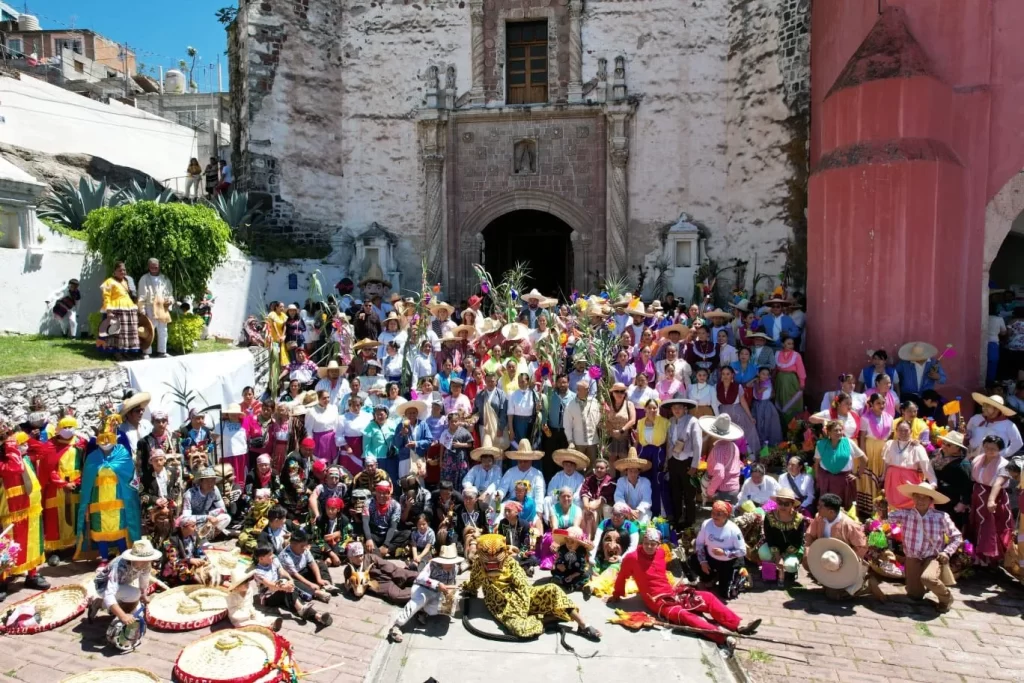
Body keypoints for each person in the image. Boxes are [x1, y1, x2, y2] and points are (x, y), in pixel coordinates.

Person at [460, 533, 601, 640]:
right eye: (486, 554)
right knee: (521, 629)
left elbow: (522, 586)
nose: (491, 558)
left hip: (521, 597)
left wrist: (523, 608)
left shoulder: (510, 562)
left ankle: (583, 625)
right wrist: (467, 589)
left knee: (552, 589)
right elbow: (473, 584)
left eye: (496, 553)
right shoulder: (479, 564)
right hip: (501, 604)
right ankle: (546, 619)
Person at [76, 411, 142, 561]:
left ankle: (124, 556)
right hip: (98, 500)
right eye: (102, 440)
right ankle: (104, 559)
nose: (105, 443)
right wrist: (86, 502)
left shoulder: (123, 454)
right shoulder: (92, 458)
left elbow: (130, 476)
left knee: (120, 528)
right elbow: (87, 481)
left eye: (109, 439)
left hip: (119, 499)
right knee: (100, 529)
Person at [888, 482, 962, 612]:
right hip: (913, 556)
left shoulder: (941, 516)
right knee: (914, 595)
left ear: (931, 500)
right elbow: (886, 518)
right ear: (913, 498)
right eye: (917, 497)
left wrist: (946, 552)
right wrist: (882, 509)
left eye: (925, 497)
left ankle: (946, 598)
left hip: (932, 556)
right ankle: (920, 587)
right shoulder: (905, 514)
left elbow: (956, 537)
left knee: (928, 578)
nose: (920, 500)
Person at [803, 493, 883, 600]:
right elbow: (810, 535)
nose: (818, 508)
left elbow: (862, 547)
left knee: (833, 596)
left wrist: (843, 562)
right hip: (826, 558)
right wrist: (807, 552)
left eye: (821, 506)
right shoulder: (819, 518)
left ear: (831, 511)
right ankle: (828, 582)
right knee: (806, 562)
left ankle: (867, 585)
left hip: (844, 563)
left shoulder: (849, 525)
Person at [0, 436, 48, 600]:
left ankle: (32, 575)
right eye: (17, 444)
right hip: (9, 512)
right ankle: (2, 581)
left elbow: (41, 449)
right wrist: (12, 447)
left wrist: (17, 434)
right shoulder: (7, 462)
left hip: (31, 508)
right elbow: (15, 467)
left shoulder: (24, 457)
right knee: (7, 545)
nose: (23, 446)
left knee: (32, 542)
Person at [388, 544, 462, 643]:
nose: (450, 565)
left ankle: (423, 610)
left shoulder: (455, 568)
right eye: (447, 562)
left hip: (439, 593)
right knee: (419, 599)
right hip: (423, 590)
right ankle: (397, 625)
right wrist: (437, 584)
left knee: (449, 606)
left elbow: (452, 583)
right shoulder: (432, 565)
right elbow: (420, 578)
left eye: (452, 562)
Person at [85, 539, 160, 637]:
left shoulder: (146, 564)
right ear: (134, 558)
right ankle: (108, 607)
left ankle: (100, 604)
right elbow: (109, 593)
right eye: (144, 559)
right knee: (134, 594)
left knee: (138, 612)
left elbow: (144, 579)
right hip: (104, 586)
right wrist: (123, 616)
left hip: (122, 584)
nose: (147, 562)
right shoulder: (119, 566)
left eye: (149, 559)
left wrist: (144, 595)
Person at [252, 542, 333, 627]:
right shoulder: (257, 572)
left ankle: (317, 616)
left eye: (272, 553)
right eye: (269, 555)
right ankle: (305, 608)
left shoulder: (274, 560)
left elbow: (282, 571)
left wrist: (290, 580)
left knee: (292, 595)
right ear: (261, 558)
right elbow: (270, 585)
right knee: (288, 591)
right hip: (269, 596)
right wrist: (285, 587)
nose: (272, 556)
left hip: (280, 586)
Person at [688, 501, 747, 600]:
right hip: (711, 557)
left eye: (719, 514)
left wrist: (725, 552)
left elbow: (742, 551)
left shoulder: (733, 529)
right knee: (692, 560)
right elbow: (699, 543)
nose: (715, 516)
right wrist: (703, 562)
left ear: (726, 515)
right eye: (713, 513)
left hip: (729, 562)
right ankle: (712, 576)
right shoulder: (706, 524)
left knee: (727, 594)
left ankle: (741, 575)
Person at [969, 435, 1012, 567]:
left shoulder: (1004, 464)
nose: (989, 450)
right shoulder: (978, 459)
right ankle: (978, 559)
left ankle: (992, 560)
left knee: (991, 527)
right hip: (978, 496)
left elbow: (998, 483)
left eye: (993, 448)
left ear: (1000, 449)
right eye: (987, 447)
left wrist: (991, 500)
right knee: (976, 524)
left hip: (994, 498)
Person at [663, 398, 702, 531]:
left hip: (688, 461)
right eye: (674, 408)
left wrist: (694, 465)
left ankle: (689, 521)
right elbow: (669, 442)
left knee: (689, 494)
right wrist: (668, 461)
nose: (677, 410)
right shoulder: (671, 421)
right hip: (674, 460)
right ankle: (676, 518)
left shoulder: (693, 421)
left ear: (685, 408)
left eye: (679, 407)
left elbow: (697, 444)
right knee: (675, 491)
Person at [882, 420, 936, 510]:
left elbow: (926, 467)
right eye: (900, 430)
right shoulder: (890, 444)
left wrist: (932, 483)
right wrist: (883, 477)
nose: (903, 433)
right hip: (892, 482)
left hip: (909, 483)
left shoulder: (917, 447)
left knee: (911, 507)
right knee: (892, 509)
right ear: (896, 431)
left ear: (911, 431)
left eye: (906, 430)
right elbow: (887, 464)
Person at [757, 488, 806, 586]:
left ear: (792, 505)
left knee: (791, 565)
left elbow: (797, 541)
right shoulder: (769, 516)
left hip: (792, 548)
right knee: (763, 553)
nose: (783, 506)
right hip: (774, 546)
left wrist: (783, 556)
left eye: (786, 504)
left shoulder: (799, 519)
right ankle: (770, 573)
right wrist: (777, 555)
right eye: (780, 503)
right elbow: (769, 537)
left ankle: (790, 573)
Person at [814, 419, 867, 509]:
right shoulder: (821, 444)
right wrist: (818, 479)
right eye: (835, 430)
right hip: (826, 480)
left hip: (844, 482)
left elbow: (864, 459)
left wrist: (858, 475)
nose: (839, 432)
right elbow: (817, 463)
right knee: (827, 507)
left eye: (840, 430)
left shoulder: (848, 442)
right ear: (829, 432)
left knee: (844, 508)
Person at [98, 261, 141, 359]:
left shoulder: (126, 281)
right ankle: (116, 352)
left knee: (127, 332)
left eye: (124, 270)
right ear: (114, 272)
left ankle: (125, 351)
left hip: (128, 309)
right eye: (120, 270)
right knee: (117, 332)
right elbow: (106, 297)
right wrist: (109, 311)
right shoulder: (109, 281)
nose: (122, 272)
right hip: (116, 309)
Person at [635, 398, 670, 516]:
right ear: (645, 409)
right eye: (649, 407)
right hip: (644, 453)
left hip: (658, 453)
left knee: (658, 481)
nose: (652, 410)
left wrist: (666, 459)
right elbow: (637, 441)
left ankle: (660, 512)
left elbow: (668, 442)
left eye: (655, 408)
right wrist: (635, 454)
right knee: (644, 481)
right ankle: (645, 510)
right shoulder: (640, 422)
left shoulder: (665, 422)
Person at [932, 431, 973, 530]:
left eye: (949, 445)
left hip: (952, 501)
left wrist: (963, 503)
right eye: (944, 443)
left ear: (958, 448)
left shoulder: (963, 464)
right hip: (936, 496)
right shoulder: (936, 453)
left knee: (951, 526)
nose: (944, 446)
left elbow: (968, 486)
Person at [701, 414, 743, 504]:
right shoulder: (734, 446)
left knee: (721, 516)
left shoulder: (718, 449)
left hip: (723, 491)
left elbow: (719, 474)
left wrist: (710, 491)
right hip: (734, 487)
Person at [966, 392, 1022, 459]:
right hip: (970, 458)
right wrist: (966, 434)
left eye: (987, 406)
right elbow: (968, 433)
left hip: (993, 461)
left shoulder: (1008, 425)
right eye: (983, 405)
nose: (984, 408)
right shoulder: (975, 418)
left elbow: (1018, 443)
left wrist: (1001, 454)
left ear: (996, 410)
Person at [225, 566, 283, 631]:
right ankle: (267, 626)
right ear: (236, 587)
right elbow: (233, 611)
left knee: (260, 616)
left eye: (247, 581)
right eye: (244, 583)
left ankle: (273, 620)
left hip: (249, 611)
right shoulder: (232, 596)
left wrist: (251, 611)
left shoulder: (249, 590)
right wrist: (246, 614)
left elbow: (250, 603)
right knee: (250, 624)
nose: (247, 584)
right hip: (239, 618)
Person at [137, 257, 174, 358]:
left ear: (159, 267)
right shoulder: (144, 279)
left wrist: (170, 300)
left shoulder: (165, 279)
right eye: (152, 267)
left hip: (162, 307)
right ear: (149, 267)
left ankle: (162, 352)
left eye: (156, 267)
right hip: (150, 307)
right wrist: (142, 309)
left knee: (163, 330)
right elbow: (141, 295)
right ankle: (146, 352)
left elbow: (170, 293)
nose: (154, 269)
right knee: (149, 330)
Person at [363, 481, 409, 557]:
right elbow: (365, 523)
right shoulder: (368, 503)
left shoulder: (396, 505)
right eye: (379, 492)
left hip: (388, 534)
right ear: (375, 492)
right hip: (374, 534)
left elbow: (392, 527)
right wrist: (368, 538)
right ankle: (380, 553)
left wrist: (386, 544)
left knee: (407, 533)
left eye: (384, 493)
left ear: (389, 493)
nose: (381, 495)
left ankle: (381, 551)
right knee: (362, 533)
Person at [564, 379, 602, 462]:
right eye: (585, 389)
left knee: (592, 466)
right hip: (578, 443)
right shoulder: (570, 405)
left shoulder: (594, 402)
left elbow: (599, 419)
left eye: (588, 388)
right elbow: (567, 425)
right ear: (578, 390)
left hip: (593, 441)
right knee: (579, 466)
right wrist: (570, 441)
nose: (588, 391)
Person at [613, 450, 653, 523]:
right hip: (626, 511)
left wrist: (637, 511)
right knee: (617, 508)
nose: (633, 474)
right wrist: (629, 510)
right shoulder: (621, 481)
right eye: (630, 471)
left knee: (642, 527)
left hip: (641, 512)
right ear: (626, 471)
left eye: (635, 471)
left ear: (639, 472)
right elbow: (618, 498)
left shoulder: (645, 482)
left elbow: (646, 500)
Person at [551, 526, 594, 594]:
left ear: (578, 543)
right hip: (565, 570)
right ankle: (560, 580)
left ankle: (581, 586)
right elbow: (558, 560)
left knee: (585, 576)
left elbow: (582, 569)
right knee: (554, 571)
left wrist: (572, 576)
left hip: (577, 573)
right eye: (567, 541)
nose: (569, 544)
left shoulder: (581, 552)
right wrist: (559, 565)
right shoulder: (563, 549)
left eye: (572, 542)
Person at [581, 458, 616, 539]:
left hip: (604, 505)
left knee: (594, 513)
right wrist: (586, 505)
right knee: (584, 511)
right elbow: (584, 492)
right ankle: (585, 538)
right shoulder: (589, 479)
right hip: (590, 504)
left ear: (607, 469)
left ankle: (595, 539)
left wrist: (591, 506)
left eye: (602, 468)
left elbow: (603, 499)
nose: (599, 469)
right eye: (597, 467)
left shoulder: (610, 481)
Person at [773, 336, 805, 423]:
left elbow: (800, 369)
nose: (791, 346)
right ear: (783, 344)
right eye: (788, 343)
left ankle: (793, 425)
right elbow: (775, 369)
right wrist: (773, 380)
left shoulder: (796, 355)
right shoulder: (777, 354)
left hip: (791, 380)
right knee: (780, 399)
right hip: (779, 380)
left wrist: (802, 382)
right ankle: (781, 425)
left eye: (792, 344)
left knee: (791, 401)